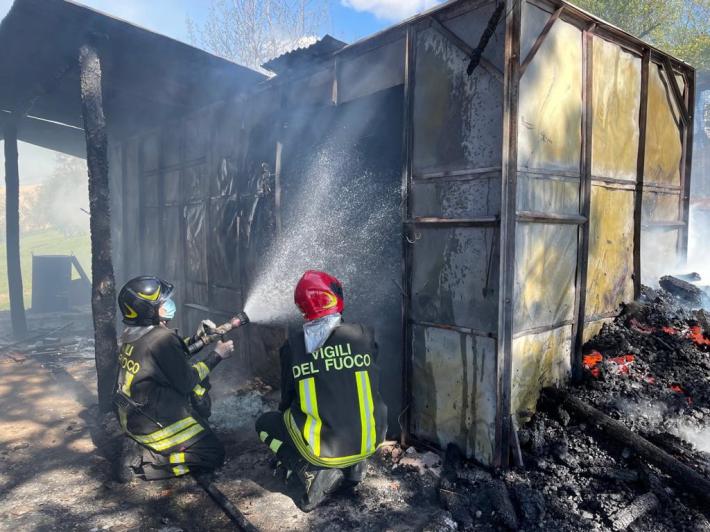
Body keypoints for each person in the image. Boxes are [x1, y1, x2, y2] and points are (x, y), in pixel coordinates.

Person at [255, 270, 387, 511]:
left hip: (321, 450)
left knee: (265, 424)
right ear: (334, 297)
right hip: (370, 440)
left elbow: (286, 400)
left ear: (303, 307)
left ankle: (308, 469)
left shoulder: (293, 347)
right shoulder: (363, 335)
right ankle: (354, 465)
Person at [114, 275, 234, 481]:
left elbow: (168, 355)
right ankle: (148, 462)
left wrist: (199, 339)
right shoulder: (162, 338)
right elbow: (187, 382)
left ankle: (137, 446)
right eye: (162, 303)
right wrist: (217, 355)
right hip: (154, 424)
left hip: (134, 418)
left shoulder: (132, 334)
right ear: (148, 310)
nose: (167, 304)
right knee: (213, 454)